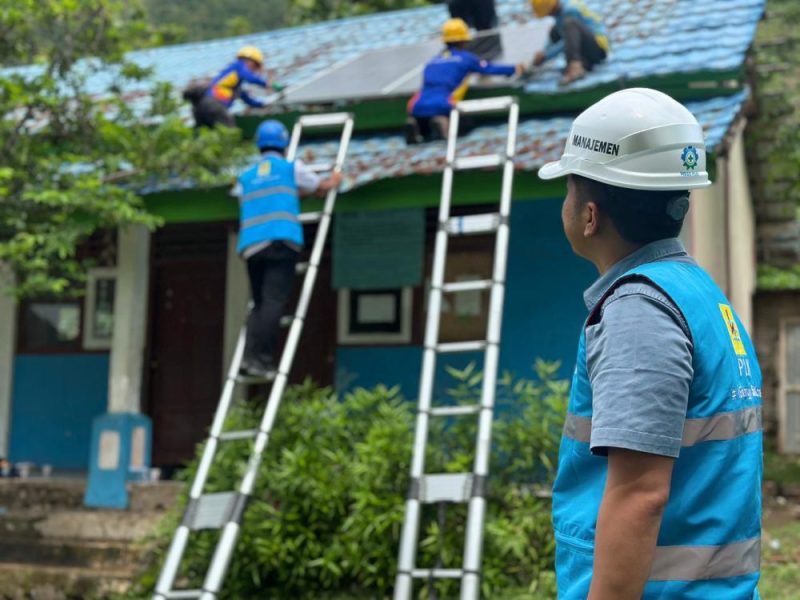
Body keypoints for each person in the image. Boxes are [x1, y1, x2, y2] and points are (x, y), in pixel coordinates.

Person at [538, 88, 762, 599]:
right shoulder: (697, 294)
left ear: (589, 215)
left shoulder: (639, 311)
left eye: (569, 187)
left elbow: (640, 495)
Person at [235, 120, 342, 378]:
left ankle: (249, 359)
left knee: (259, 304)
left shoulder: (246, 177)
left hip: (251, 246)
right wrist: (334, 180)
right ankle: (261, 361)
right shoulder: (291, 168)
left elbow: (254, 199)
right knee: (273, 302)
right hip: (280, 241)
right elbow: (319, 186)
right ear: (283, 144)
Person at [404, 18, 524, 145]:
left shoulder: (432, 62)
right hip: (443, 104)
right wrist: (515, 69)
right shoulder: (466, 59)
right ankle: (443, 122)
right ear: (463, 41)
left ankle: (416, 125)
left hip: (417, 106)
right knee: (467, 125)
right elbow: (489, 69)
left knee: (425, 128)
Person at [188, 46, 284, 129]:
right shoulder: (239, 65)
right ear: (250, 61)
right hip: (214, 104)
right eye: (255, 66)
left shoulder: (234, 84)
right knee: (229, 131)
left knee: (205, 133)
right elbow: (250, 78)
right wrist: (267, 84)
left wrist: (263, 104)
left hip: (199, 107)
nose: (254, 70)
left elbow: (248, 100)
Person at [529, 0, 609, 86]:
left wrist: (546, 56)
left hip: (597, 50)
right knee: (554, 31)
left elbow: (568, 40)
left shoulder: (570, 11)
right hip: (586, 47)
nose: (549, 15)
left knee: (569, 24)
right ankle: (583, 63)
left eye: (548, 13)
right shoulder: (561, 9)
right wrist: (543, 52)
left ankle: (575, 67)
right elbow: (558, 34)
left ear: (552, 7)